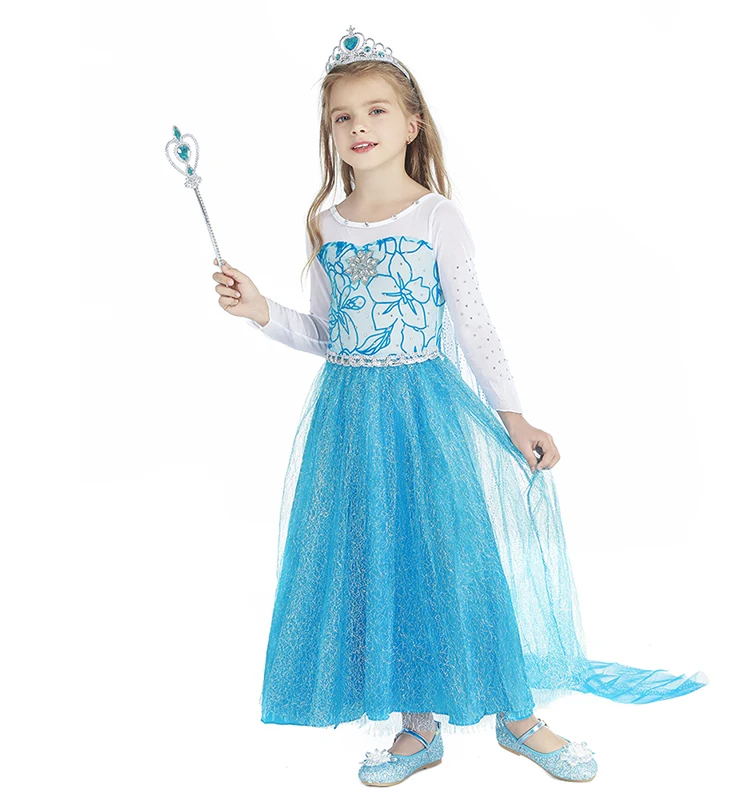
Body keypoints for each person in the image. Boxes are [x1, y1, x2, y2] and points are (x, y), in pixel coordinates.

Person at [210, 26, 709, 787]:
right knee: (379, 562)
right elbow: (327, 334)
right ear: (330, 133)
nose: (359, 127)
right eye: (343, 116)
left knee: (455, 556)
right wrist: (259, 311)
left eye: (376, 110)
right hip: (348, 420)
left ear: (412, 124)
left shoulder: (436, 217)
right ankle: (417, 724)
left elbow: (474, 325)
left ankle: (516, 714)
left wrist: (514, 416)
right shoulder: (327, 225)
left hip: (424, 413)